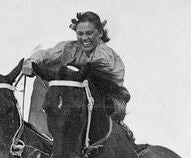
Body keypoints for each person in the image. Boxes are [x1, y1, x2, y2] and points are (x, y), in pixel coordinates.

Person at [22, 11, 134, 141]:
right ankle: (40, 135)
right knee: (43, 78)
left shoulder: (105, 56)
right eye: (80, 34)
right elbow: (46, 54)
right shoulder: (70, 47)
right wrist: (31, 62)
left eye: (89, 33)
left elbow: (96, 82)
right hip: (79, 96)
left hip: (108, 101)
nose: (84, 38)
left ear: (100, 33)